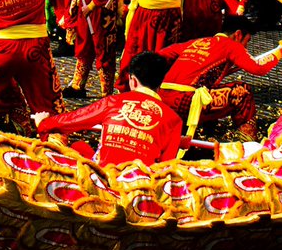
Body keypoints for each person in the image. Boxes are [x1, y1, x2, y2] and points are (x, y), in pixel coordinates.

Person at [33, 52, 183, 167]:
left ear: (133, 80)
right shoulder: (174, 120)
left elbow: (72, 120)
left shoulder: (113, 102)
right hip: (140, 187)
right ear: (160, 83)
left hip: (104, 177)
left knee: (78, 147)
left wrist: (44, 123)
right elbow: (165, 167)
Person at [155, 31, 282, 142]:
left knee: (212, 88)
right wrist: (281, 51)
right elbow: (258, 67)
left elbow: (159, 55)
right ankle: (247, 141)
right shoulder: (230, 45)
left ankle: (206, 129)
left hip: (161, 100)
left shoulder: (198, 42)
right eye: (247, 42)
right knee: (242, 91)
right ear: (238, 34)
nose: (246, 47)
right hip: (186, 102)